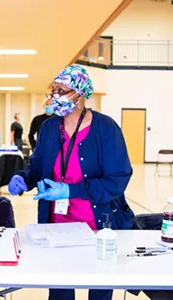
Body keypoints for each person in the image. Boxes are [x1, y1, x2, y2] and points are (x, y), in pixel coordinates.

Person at [8, 65, 134, 300]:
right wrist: (24, 177)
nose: (54, 95)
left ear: (79, 95)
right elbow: (37, 165)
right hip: (56, 228)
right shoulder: (49, 127)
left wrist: (70, 190)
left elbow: (118, 179)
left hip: (96, 227)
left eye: (61, 90)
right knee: (60, 290)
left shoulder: (105, 128)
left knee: (99, 289)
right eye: (53, 90)